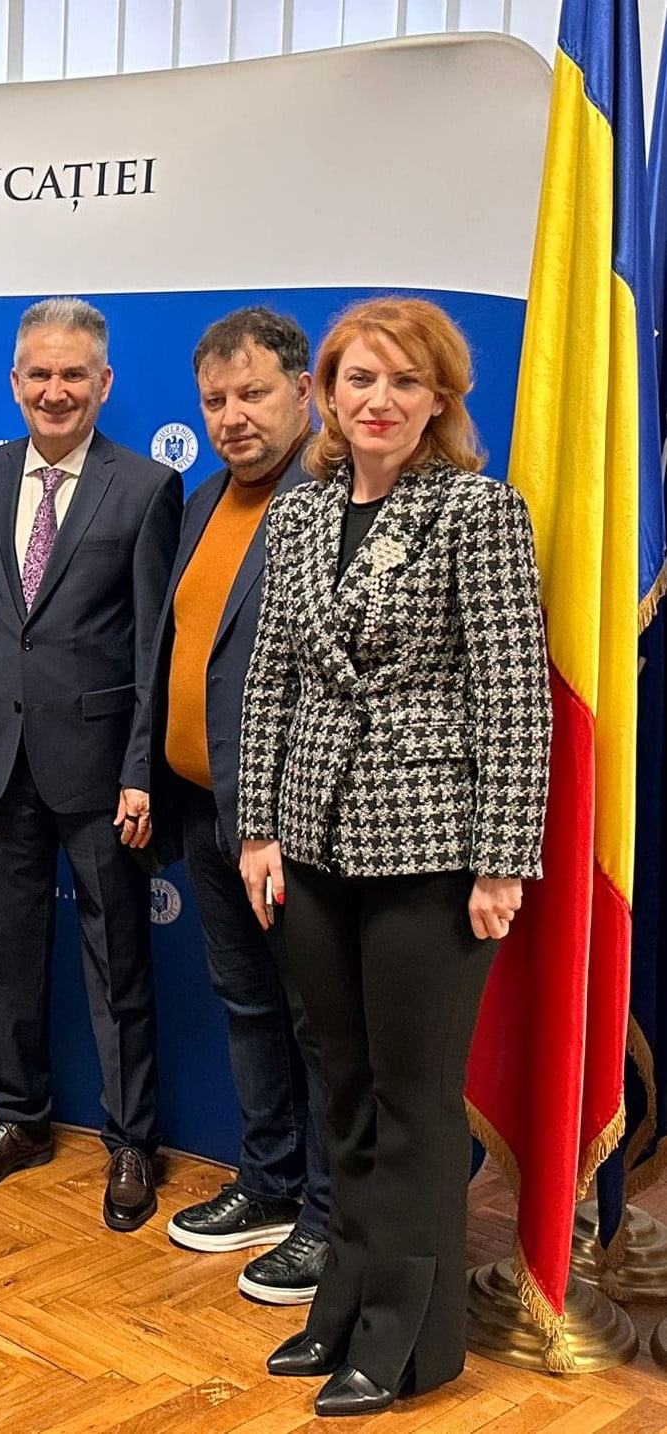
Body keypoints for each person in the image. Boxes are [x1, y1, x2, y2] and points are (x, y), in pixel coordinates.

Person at [238, 297, 549, 1416]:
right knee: (348, 1088)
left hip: (432, 846)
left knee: (414, 1100)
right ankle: (344, 1302)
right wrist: (259, 827)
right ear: (324, 392)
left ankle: (408, 1339)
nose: (379, 400)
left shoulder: (477, 510)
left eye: (405, 381)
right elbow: (270, 677)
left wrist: (503, 859)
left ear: (440, 401)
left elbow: (514, 694)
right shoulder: (299, 513)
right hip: (312, 838)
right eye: (359, 378)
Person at [0, 297, 181, 1232]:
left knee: (117, 958)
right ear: (15, 383)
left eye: (73, 374)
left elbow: (154, 647)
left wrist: (141, 767)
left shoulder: (146, 487)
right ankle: (19, 1117)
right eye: (39, 374)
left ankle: (132, 1141)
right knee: (10, 953)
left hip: (102, 768)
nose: (55, 391)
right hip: (1, 761)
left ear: (104, 383)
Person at [139, 309, 332, 1303]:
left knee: (317, 1023)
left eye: (252, 393)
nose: (230, 417)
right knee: (249, 1005)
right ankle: (269, 1183)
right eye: (214, 400)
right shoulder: (205, 499)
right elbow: (179, 651)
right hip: (208, 812)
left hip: (293, 828)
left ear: (304, 391)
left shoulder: (337, 498)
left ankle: (330, 1221)